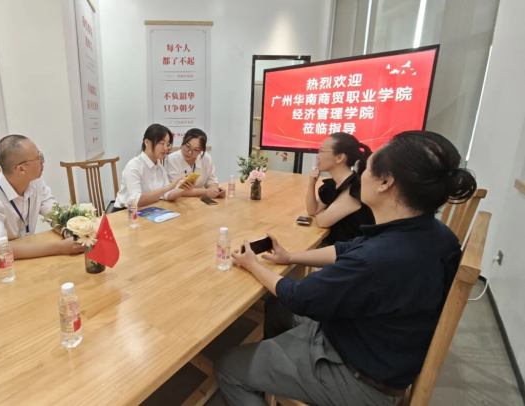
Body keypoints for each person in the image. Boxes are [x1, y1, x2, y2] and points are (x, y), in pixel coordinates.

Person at [215, 131, 477, 406]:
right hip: (380, 347)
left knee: (228, 368)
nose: (360, 174)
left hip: (359, 378)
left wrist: (253, 265)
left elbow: (299, 296)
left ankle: (282, 373)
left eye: (366, 168)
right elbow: (347, 248)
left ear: (386, 182)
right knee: (276, 306)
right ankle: (278, 372)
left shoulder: (376, 259)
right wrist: (291, 256)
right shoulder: (435, 234)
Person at [0, 135, 84, 260]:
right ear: (21, 169)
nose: (43, 161)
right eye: (38, 157)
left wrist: (66, 230)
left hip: (27, 255)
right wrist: (60, 248)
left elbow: (53, 212)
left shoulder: (35, 181)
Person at [307, 132, 375, 245]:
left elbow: (323, 221)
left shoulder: (355, 188)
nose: (317, 156)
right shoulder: (333, 183)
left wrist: (323, 214)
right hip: (336, 246)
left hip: (352, 251)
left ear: (339, 157)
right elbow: (312, 211)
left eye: (322, 151)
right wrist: (311, 183)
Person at [113, 124, 193, 211]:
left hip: (149, 209)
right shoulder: (134, 165)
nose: (165, 148)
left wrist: (183, 189)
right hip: (125, 211)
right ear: (147, 142)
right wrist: (168, 187)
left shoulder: (160, 167)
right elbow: (135, 200)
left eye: (168, 144)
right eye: (161, 143)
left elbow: (168, 195)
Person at [165, 128, 225, 199]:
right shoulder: (172, 159)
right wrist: (205, 192)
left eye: (196, 150)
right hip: (179, 201)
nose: (190, 152)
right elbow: (175, 189)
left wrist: (215, 191)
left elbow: (211, 180)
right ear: (183, 140)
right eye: (188, 146)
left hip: (199, 201)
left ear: (201, 150)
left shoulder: (206, 158)